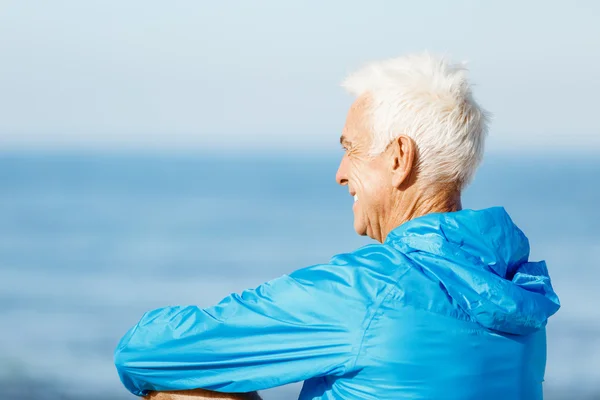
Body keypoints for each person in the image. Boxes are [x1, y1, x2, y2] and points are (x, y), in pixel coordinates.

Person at [114, 53, 560, 400]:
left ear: (399, 158)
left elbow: (144, 350)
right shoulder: (516, 297)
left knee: (187, 387)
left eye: (351, 149)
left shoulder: (367, 292)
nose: (341, 172)